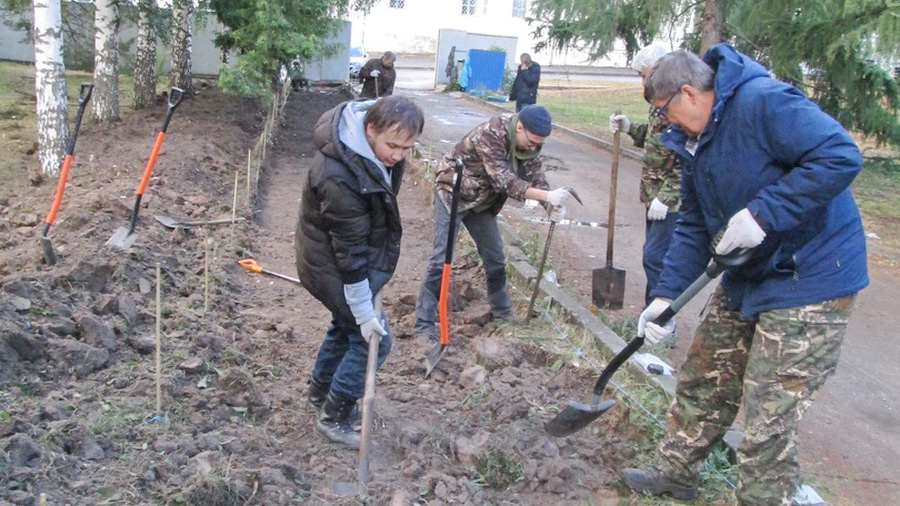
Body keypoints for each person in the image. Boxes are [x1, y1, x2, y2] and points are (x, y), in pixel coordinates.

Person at [620, 45, 868, 505]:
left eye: (665, 111)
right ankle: (675, 474)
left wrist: (764, 213)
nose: (665, 122)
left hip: (809, 275)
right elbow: (694, 222)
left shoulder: (763, 102)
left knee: (769, 411)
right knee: (704, 376)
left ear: (688, 93)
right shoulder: (694, 140)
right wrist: (665, 297)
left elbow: (839, 155)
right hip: (749, 272)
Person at [295, 95, 425, 448]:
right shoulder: (338, 177)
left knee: (344, 327)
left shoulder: (372, 151)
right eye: (393, 146)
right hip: (331, 266)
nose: (398, 156)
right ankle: (333, 416)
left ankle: (320, 393)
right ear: (370, 130)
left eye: (407, 148)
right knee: (373, 340)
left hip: (337, 256)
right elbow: (349, 254)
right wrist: (365, 310)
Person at [413, 105, 577, 344]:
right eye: (531, 142)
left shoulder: (530, 144)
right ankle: (423, 324)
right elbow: (504, 181)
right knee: (441, 260)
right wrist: (545, 196)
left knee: (495, 258)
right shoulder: (491, 132)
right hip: (453, 193)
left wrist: (550, 204)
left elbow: (534, 175)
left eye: (538, 144)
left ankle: (502, 314)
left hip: (481, 201)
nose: (533, 148)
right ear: (519, 127)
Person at [609, 43, 681, 310]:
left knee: (658, 258)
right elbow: (655, 142)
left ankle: (661, 319)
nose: (642, 83)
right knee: (653, 256)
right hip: (654, 196)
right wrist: (629, 128)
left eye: (644, 75)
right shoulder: (658, 104)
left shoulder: (677, 107)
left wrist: (667, 196)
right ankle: (652, 313)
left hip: (672, 201)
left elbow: (689, 157)